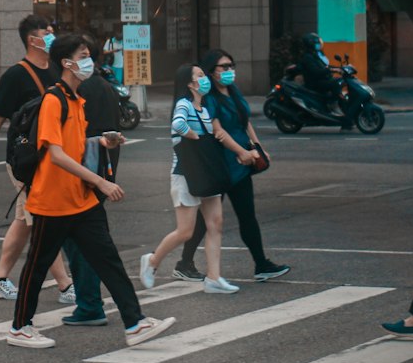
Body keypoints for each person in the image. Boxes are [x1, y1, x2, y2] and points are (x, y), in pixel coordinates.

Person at [8, 33, 176, 349]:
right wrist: (100, 181)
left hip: (81, 200)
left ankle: (135, 322)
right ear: (66, 62)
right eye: (83, 55)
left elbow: (72, 147)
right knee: (37, 265)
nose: (89, 61)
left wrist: (101, 141)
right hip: (53, 202)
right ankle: (19, 327)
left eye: (89, 55)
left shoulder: (76, 100)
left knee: (108, 260)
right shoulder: (53, 100)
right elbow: (55, 154)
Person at [0, 14, 76, 305]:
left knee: (25, 220)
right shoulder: (14, 76)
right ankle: (65, 285)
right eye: (46, 32)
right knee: (42, 219)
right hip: (24, 159)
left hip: (51, 155)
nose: (52, 35)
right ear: (32, 40)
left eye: (52, 30)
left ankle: (0, 278)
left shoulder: (55, 69)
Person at [140, 64, 257, 297]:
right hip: (186, 173)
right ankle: (152, 260)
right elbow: (177, 125)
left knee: (216, 223)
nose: (205, 79)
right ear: (190, 83)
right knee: (186, 231)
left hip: (205, 171)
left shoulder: (202, 108)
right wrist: (194, 136)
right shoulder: (184, 105)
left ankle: (214, 278)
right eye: (200, 75)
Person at [174, 49, 289, 284]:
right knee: (210, 219)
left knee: (243, 214)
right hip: (222, 162)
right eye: (223, 67)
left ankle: (260, 264)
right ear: (210, 72)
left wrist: (257, 146)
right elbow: (218, 131)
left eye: (231, 66)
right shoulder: (209, 98)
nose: (229, 71)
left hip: (240, 163)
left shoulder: (233, 91)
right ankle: (184, 262)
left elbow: (244, 122)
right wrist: (242, 151)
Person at [60, 31, 126, 328]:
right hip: (101, 173)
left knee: (77, 244)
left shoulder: (78, 91)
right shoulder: (105, 87)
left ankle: (89, 304)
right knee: (90, 243)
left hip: (81, 176)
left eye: (84, 56)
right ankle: (97, 304)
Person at [298, 33, 350, 124]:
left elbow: (325, 66)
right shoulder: (307, 58)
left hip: (321, 80)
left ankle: (344, 114)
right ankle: (332, 104)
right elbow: (316, 72)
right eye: (316, 43)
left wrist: (339, 68)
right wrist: (332, 70)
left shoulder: (314, 55)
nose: (319, 45)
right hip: (314, 83)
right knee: (336, 83)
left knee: (340, 81)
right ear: (311, 44)